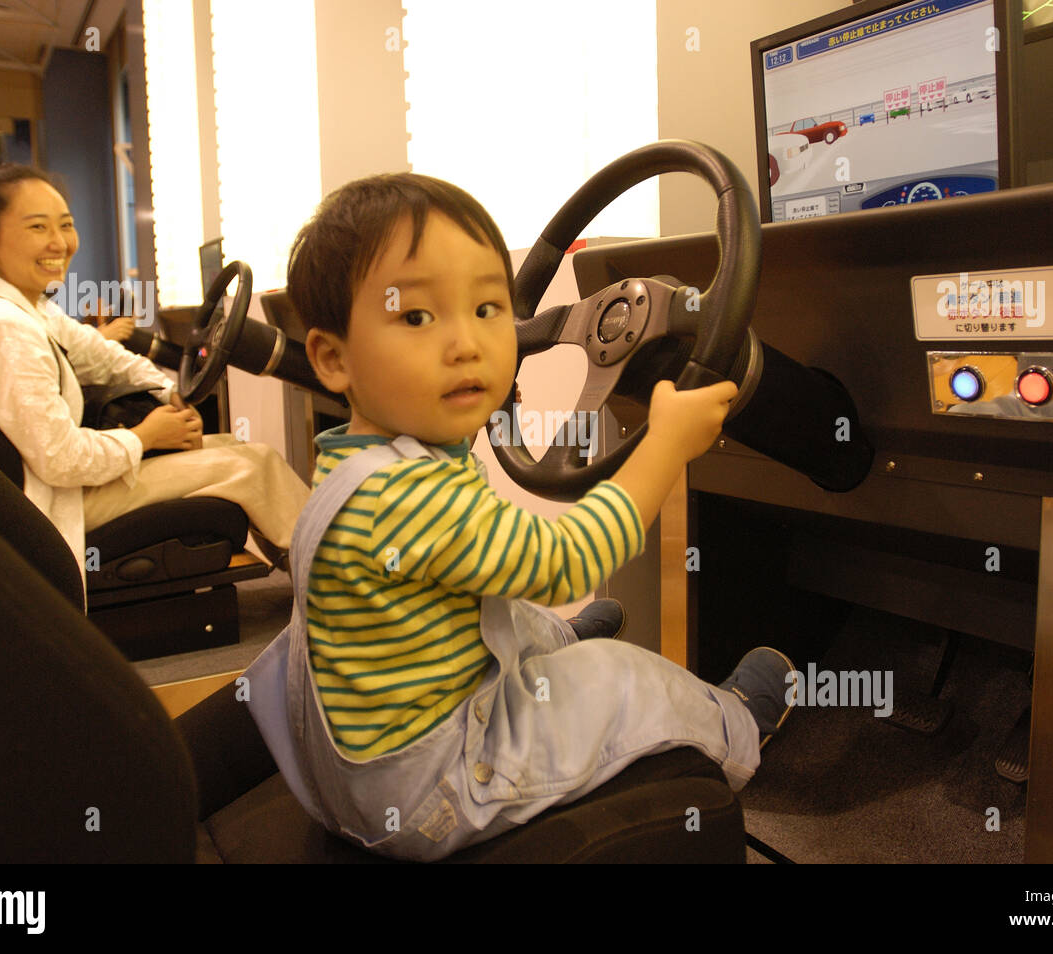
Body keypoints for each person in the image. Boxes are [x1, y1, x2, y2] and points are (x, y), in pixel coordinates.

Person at [263, 172, 796, 861]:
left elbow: (477, 566)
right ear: (334, 359)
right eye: (419, 318)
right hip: (430, 789)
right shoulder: (409, 497)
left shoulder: (358, 459)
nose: (467, 344)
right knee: (618, 674)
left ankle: (555, 642)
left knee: (509, 609)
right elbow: (568, 560)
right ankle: (735, 726)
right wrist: (665, 444)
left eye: (487, 309)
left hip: (358, 769)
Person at [0, 164, 309, 590]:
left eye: (66, 225)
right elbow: (60, 458)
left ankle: (305, 569)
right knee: (253, 465)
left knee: (232, 446)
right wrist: (146, 436)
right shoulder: (1, 327)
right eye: (38, 227)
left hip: (52, 491)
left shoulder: (28, 311)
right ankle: (337, 581)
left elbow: (107, 358)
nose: (59, 242)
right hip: (50, 508)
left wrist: (170, 398)